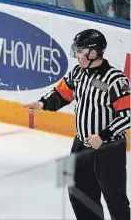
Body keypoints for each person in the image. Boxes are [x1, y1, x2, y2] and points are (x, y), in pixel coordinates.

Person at [24, 29, 130, 220]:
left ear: (94, 52)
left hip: (109, 147)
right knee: (79, 192)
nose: (77, 55)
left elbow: (127, 116)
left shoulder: (115, 79)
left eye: (81, 50)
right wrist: (42, 103)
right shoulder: (77, 73)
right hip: (81, 143)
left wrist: (102, 136)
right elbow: (61, 94)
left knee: (114, 197)